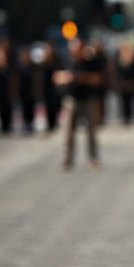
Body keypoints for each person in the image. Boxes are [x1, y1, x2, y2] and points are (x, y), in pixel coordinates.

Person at [56, 37, 106, 169]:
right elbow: (57, 77)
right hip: (71, 100)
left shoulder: (90, 62)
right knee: (68, 133)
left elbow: (98, 79)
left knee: (91, 132)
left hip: (88, 99)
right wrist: (65, 77)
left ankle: (93, 158)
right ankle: (67, 160)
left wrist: (80, 78)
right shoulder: (67, 62)